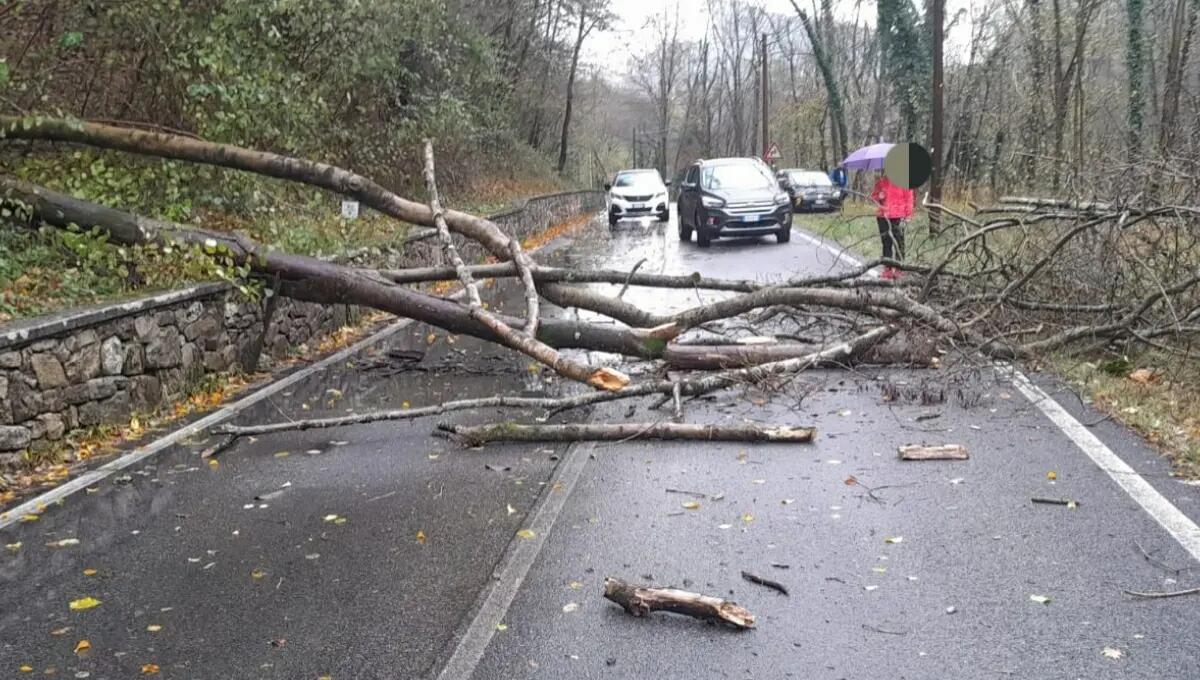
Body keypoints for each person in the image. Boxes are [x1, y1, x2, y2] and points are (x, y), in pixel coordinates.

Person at [870, 173, 914, 280]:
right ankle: (887, 269)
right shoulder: (882, 181)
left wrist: (908, 215)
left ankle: (899, 268)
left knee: (899, 242)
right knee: (886, 243)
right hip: (883, 216)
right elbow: (874, 196)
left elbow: (909, 198)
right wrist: (879, 196)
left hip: (898, 216)